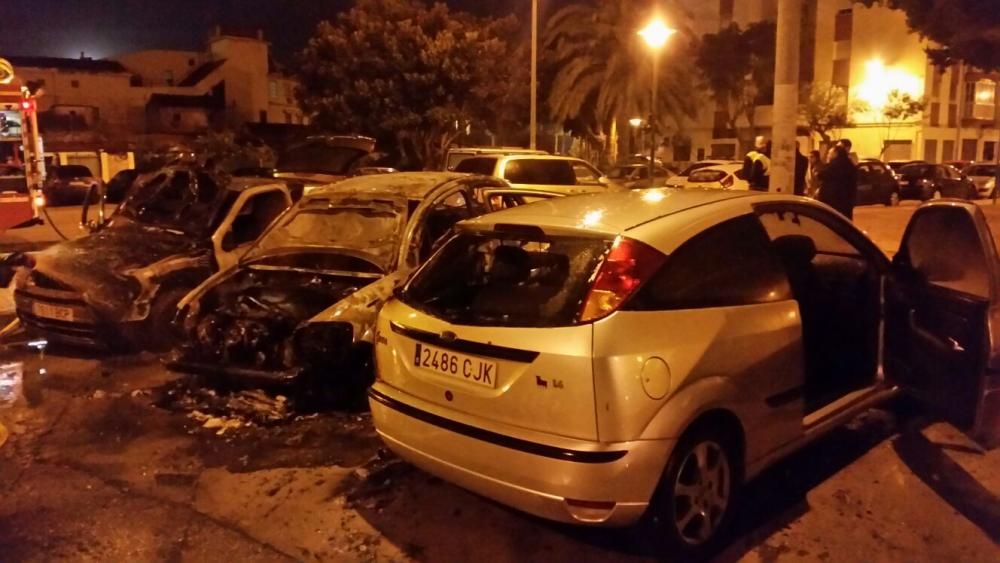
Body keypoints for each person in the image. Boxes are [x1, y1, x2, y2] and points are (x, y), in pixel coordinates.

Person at [818, 145, 858, 219]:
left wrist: (827, 163)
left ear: (836, 153)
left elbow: (821, 175)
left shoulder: (835, 165)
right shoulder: (849, 165)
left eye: (829, 153)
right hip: (846, 201)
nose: (828, 155)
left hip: (834, 201)